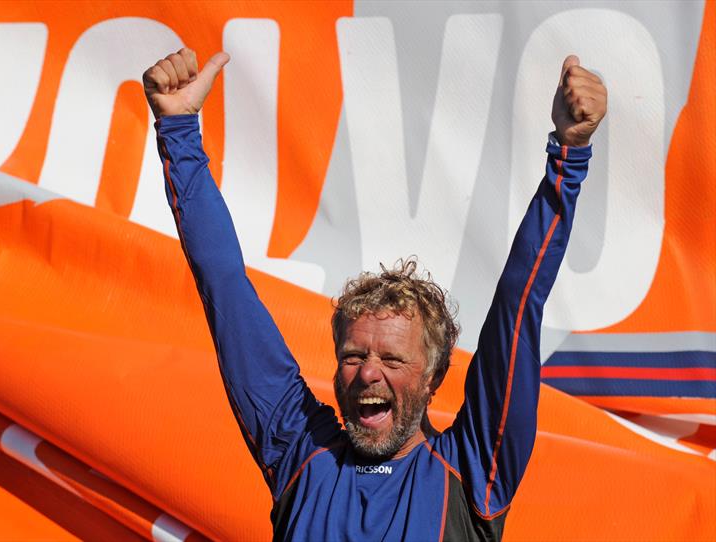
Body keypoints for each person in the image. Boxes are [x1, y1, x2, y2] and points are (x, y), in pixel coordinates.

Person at [143, 46, 606, 541]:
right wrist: (178, 132)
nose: (367, 372)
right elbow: (225, 287)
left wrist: (568, 157)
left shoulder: (472, 470)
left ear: (434, 376)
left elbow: (519, 303)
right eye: (353, 354)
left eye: (392, 358)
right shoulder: (299, 450)